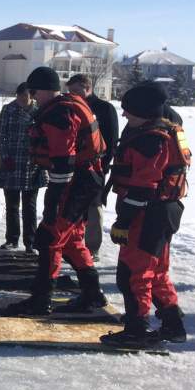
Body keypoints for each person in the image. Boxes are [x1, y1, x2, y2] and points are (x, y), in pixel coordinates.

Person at [4, 66, 107, 315]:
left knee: (50, 237)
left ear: (41, 90)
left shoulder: (57, 115)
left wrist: (53, 202)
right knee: (71, 240)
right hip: (87, 179)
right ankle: (93, 294)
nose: (34, 98)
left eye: (34, 92)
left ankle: (41, 299)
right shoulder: (67, 106)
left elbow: (63, 161)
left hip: (74, 183)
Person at [100, 82, 190, 349]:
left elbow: (142, 186)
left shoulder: (150, 140)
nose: (124, 115)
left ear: (143, 111)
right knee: (157, 271)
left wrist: (123, 221)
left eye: (128, 110)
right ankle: (173, 324)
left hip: (147, 214)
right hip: (165, 212)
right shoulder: (165, 132)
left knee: (132, 273)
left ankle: (137, 328)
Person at [67, 73, 119, 257]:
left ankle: (92, 248)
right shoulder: (69, 107)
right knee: (71, 205)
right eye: (69, 90)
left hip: (95, 167)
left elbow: (112, 141)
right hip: (73, 166)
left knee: (94, 206)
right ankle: (71, 244)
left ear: (87, 88)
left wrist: (103, 167)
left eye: (75, 90)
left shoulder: (104, 109)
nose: (72, 94)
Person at [0, 82, 47, 251]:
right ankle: (12, 239)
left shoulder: (40, 111)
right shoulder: (8, 110)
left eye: (26, 95)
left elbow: (46, 138)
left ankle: (30, 241)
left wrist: (41, 158)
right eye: (20, 95)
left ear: (32, 96)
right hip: (11, 163)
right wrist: (4, 156)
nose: (23, 99)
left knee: (30, 206)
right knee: (12, 205)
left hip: (33, 165)